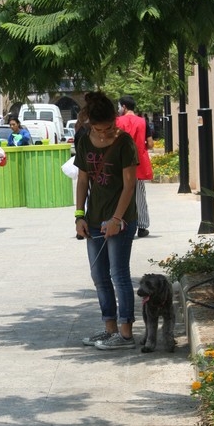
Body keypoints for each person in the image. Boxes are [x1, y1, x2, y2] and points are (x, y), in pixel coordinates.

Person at [74, 91, 138, 350]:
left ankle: (125, 334)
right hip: (94, 217)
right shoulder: (85, 141)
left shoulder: (124, 142)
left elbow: (130, 185)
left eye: (110, 126)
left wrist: (116, 219)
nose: (106, 133)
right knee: (98, 276)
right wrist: (79, 215)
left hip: (120, 219)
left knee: (118, 274)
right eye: (100, 129)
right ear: (90, 122)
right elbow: (82, 180)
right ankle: (109, 329)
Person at [116, 95, 153, 238]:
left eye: (119, 106)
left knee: (120, 194)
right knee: (140, 196)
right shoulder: (143, 122)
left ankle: (121, 223)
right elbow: (150, 144)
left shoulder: (117, 121)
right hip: (138, 164)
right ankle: (142, 227)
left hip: (120, 164)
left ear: (124, 107)